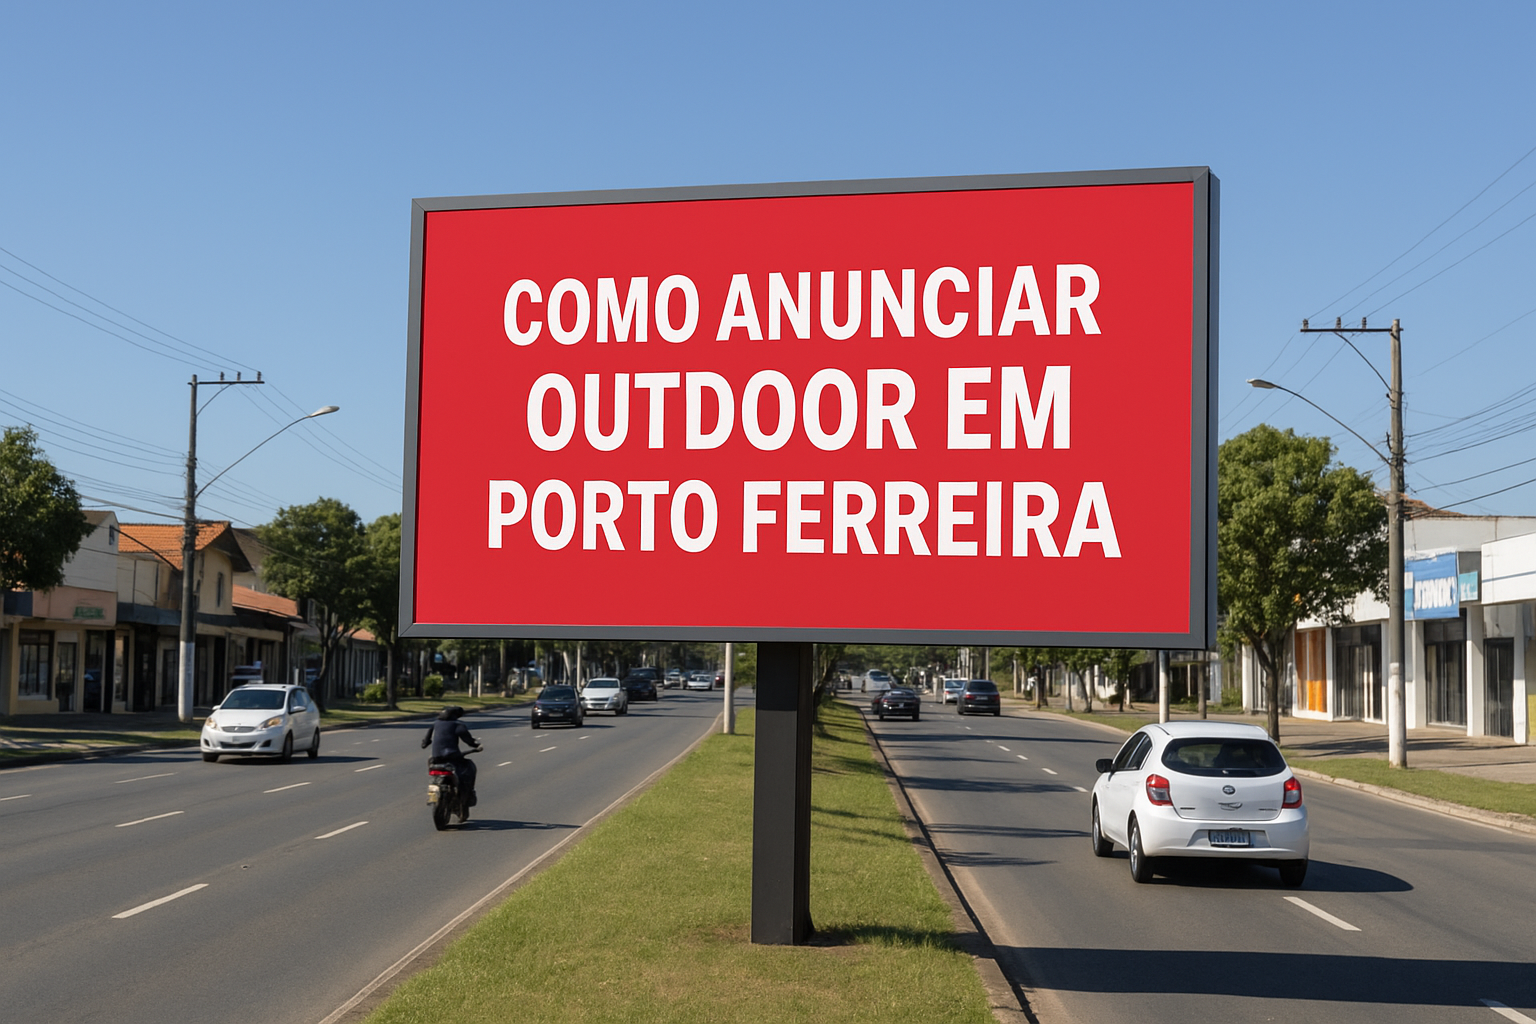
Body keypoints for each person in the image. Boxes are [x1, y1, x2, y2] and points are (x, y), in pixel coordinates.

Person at [422, 706, 483, 805]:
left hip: (436, 758)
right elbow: (468, 740)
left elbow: (425, 743)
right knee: (469, 767)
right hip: (452, 756)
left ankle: (433, 794)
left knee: (432, 770)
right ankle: (470, 793)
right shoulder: (457, 725)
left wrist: (425, 743)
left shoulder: (435, 724)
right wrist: (476, 745)